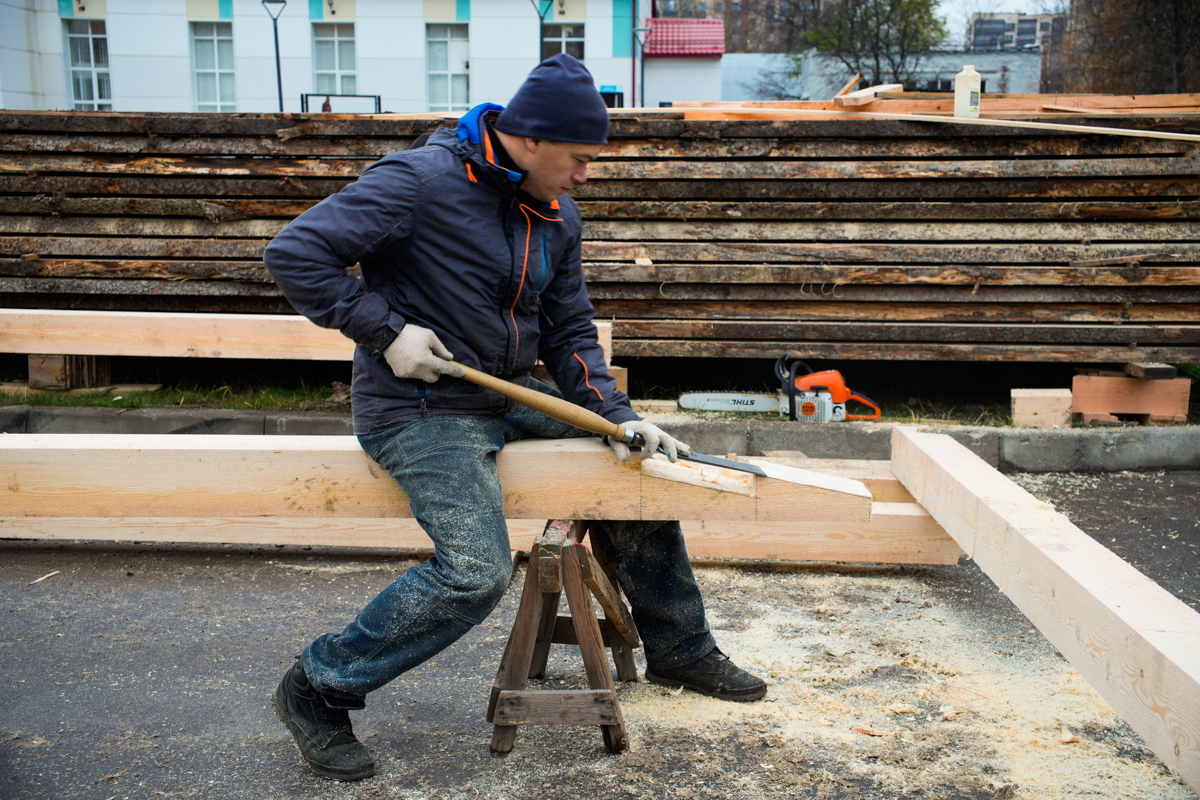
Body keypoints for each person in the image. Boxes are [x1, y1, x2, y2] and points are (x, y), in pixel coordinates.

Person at [263, 54, 765, 782]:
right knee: (474, 573)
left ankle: (681, 650)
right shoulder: (418, 183)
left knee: (634, 470)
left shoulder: (556, 212)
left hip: (506, 395)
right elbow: (295, 252)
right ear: (530, 140)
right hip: (420, 407)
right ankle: (318, 686)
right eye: (579, 159)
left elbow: (569, 331)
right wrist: (386, 333)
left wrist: (616, 417)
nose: (585, 175)